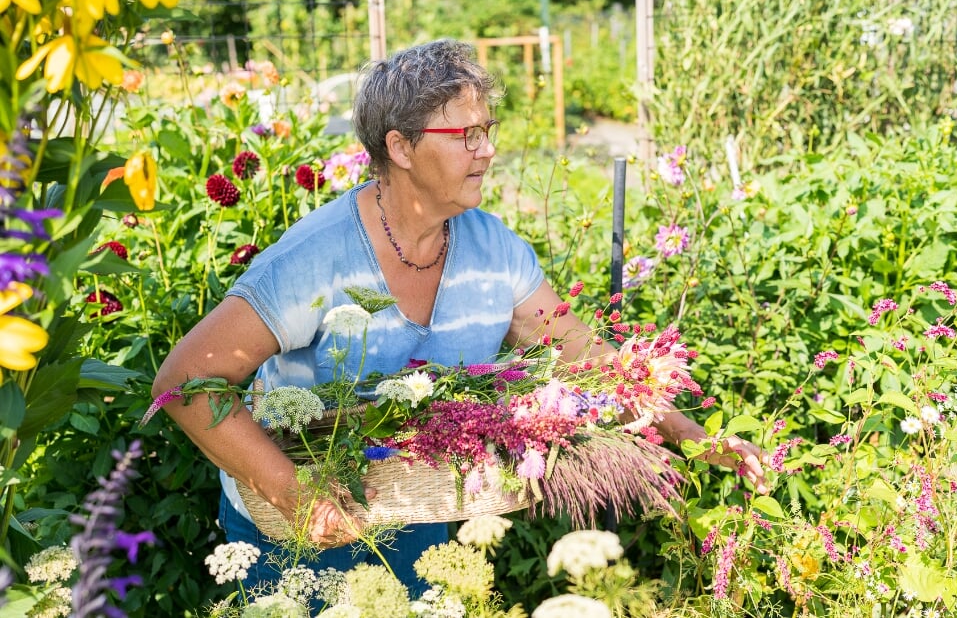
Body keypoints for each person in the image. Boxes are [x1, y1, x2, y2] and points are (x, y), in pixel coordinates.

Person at [151, 38, 769, 596]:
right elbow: (184, 385)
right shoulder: (315, 261)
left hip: (420, 527)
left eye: (488, 129)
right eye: (466, 135)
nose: (488, 150)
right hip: (293, 542)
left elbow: (584, 355)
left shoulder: (494, 251)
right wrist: (297, 494)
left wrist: (698, 440)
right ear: (399, 147)